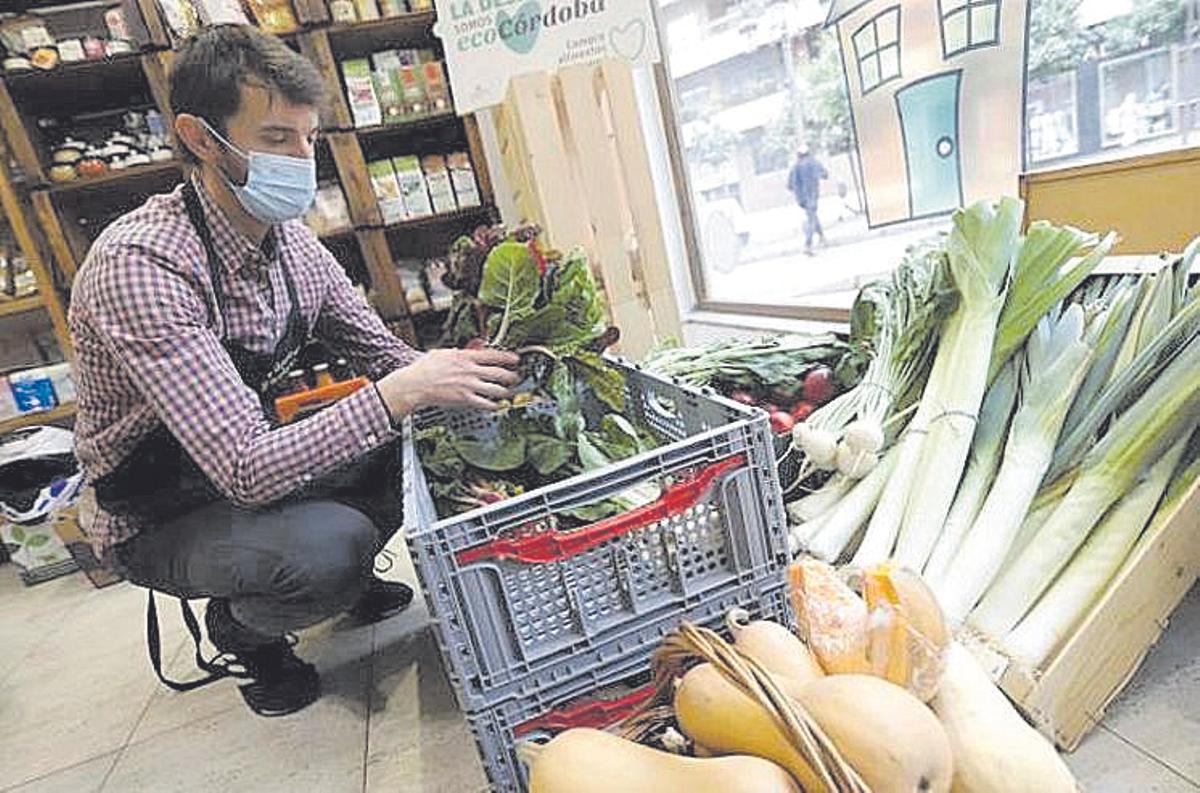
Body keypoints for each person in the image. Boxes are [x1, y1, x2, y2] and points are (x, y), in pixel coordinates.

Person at [69, 25, 520, 717]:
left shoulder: (294, 249)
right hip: (158, 508)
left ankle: (333, 569)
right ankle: (246, 631)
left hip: (240, 463)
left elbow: (388, 360)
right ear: (199, 138)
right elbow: (247, 468)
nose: (301, 160)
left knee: (410, 447)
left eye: (309, 139)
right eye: (277, 138)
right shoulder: (142, 265)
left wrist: (478, 373)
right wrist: (399, 392)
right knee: (327, 550)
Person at [787, 144, 828, 256]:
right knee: (811, 220)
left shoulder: (795, 166)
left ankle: (822, 237)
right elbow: (825, 174)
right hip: (812, 195)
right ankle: (808, 245)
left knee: (813, 216)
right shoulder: (813, 162)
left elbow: (789, 185)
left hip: (801, 199)